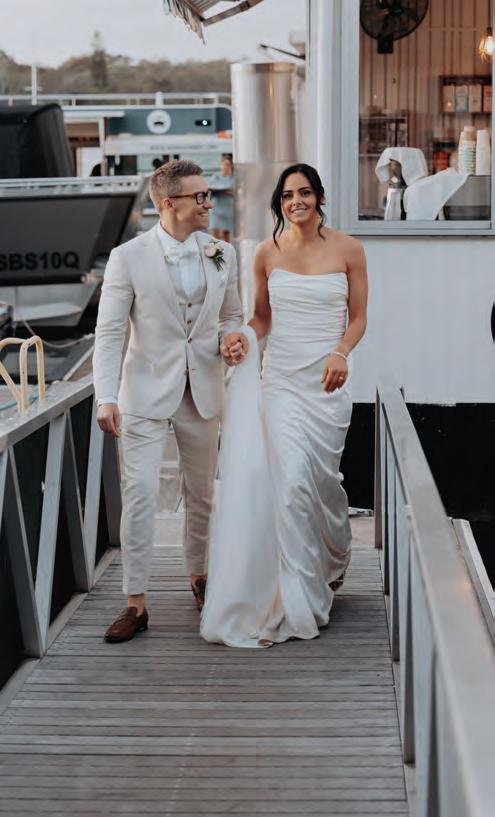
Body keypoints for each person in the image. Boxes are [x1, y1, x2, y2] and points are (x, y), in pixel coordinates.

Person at [201, 163, 368, 648]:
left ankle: (333, 556)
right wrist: (240, 338)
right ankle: (299, 599)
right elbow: (260, 318)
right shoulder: (264, 252)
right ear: (279, 202)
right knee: (290, 484)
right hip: (280, 382)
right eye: (289, 195)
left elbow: (359, 318)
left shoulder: (349, 249)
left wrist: (341, 353)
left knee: (323, 484)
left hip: (328, 383)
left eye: (306, 193)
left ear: (320, 198)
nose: (297, 201)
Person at [93, 159, 247, 643]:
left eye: (207, 195)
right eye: (198, 196)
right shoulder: (127, 257)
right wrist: (105, 395)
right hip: (142, 393)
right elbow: (110, 332)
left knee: (202, 496)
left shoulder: (222, 252)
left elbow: (232, 316)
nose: (208, 203)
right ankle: (135, 602)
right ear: (167, 204)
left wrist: (231, 340)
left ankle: (200, 579)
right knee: (140, 494)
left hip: (203, 391)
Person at [209, 154, 234, 243]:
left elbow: (238, 193)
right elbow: (210, 189)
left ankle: (226, 251)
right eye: (224, 164)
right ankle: (214, 251)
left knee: (226, 235)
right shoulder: (215, 177)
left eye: (228, 164)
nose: (226, 166)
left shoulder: (233, 178)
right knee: (214, 233)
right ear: (221, 165)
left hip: (228, 210)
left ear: (231, 165)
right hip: (216, 210)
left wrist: (228, 192)